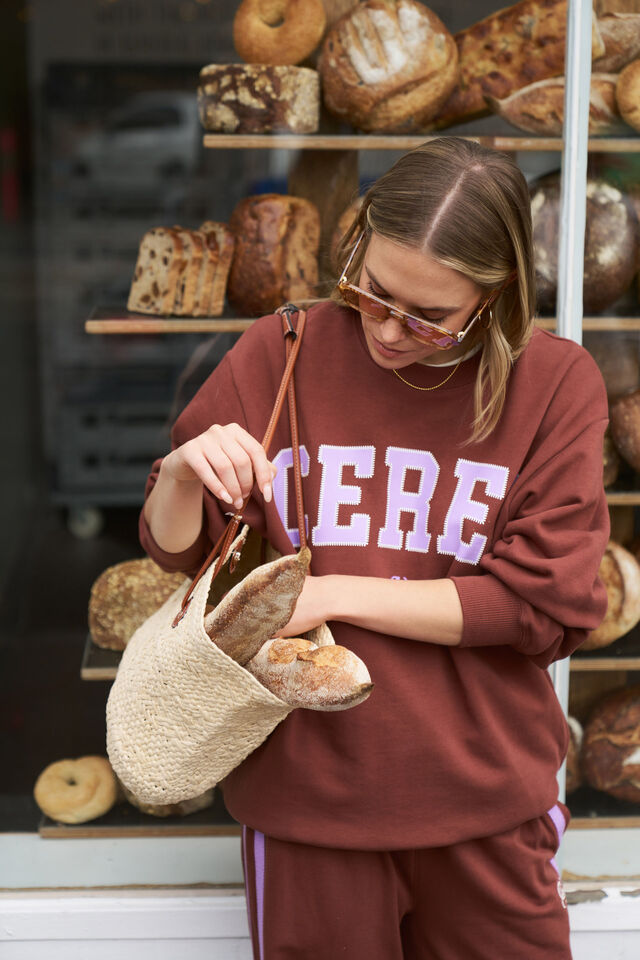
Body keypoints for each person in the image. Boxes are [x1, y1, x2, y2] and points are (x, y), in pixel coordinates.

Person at [140, 137, 609, 960]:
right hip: (308, 810)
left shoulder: (553, 385)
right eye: (372, 290)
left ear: (495, 296)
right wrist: (180, 475)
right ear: (358, 242)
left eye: (429, 316)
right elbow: (176, 552)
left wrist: (335, 593)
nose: (389, 330)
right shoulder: (281, 350)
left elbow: (544, 604)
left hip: (488, 808)